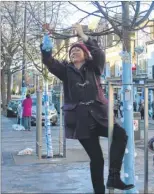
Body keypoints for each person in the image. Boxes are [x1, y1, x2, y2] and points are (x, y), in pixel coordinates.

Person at [40, 24, 134, 193]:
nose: (74, 53)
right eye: (71, 52)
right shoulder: (66, 71)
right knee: (96, 159)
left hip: (99, 116)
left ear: (85, 54)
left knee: (120, 134)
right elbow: (49, 62)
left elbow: (99, 53)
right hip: (80, 121)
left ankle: (114, 176)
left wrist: (83, 35)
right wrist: (46, 40)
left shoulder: (94, 68)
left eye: (77, 50)